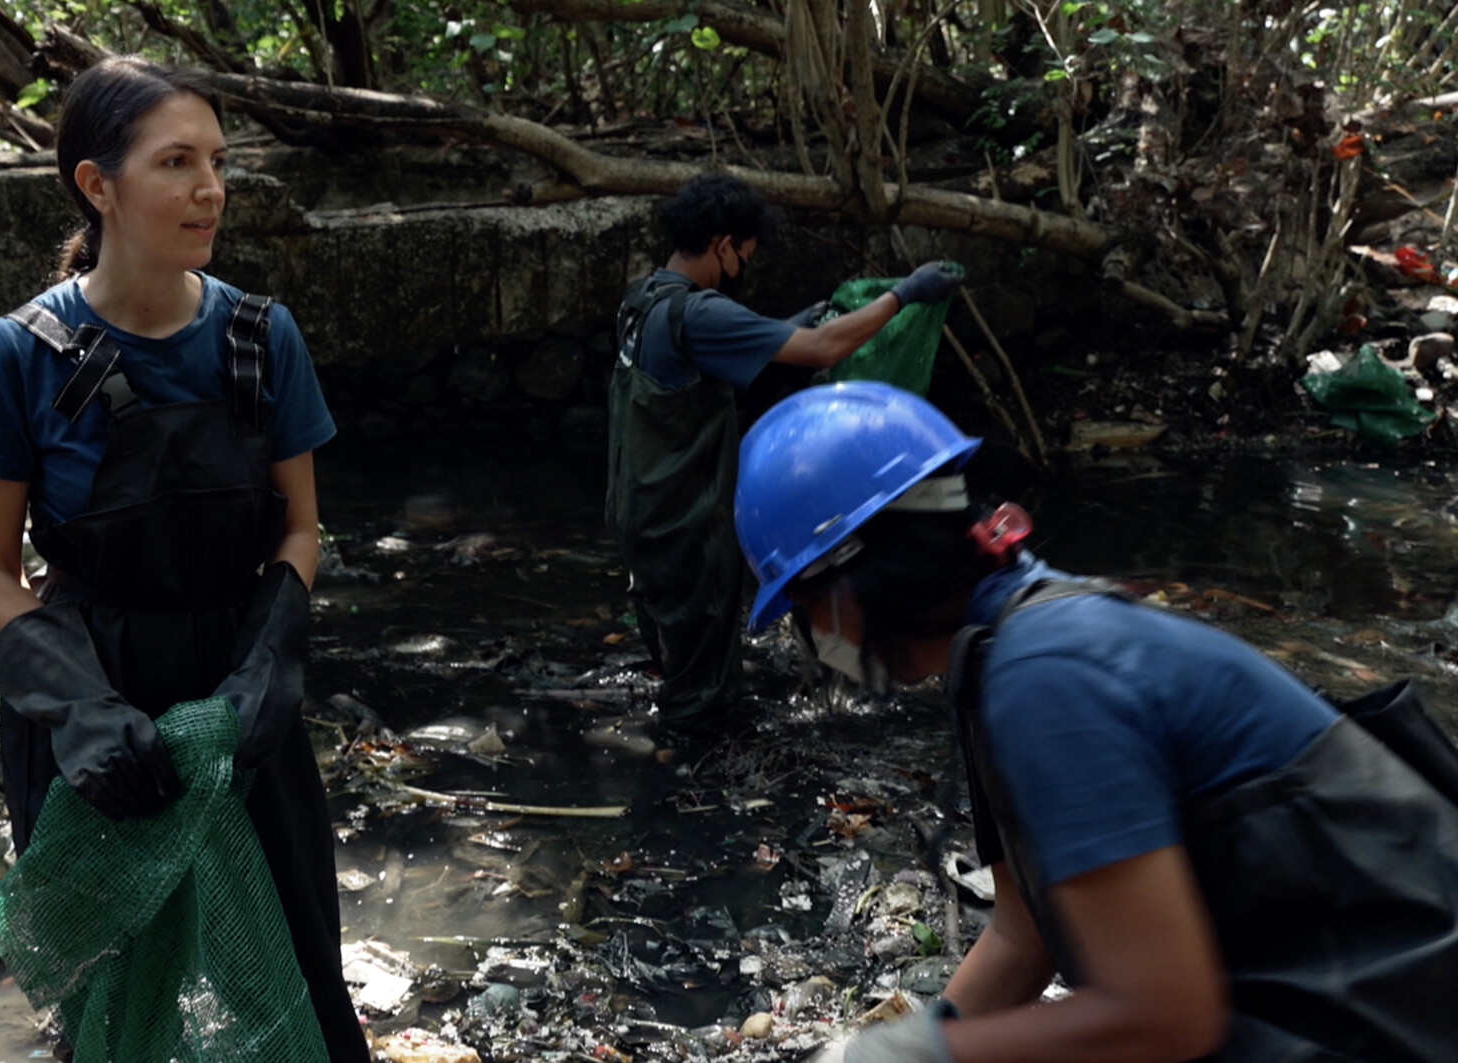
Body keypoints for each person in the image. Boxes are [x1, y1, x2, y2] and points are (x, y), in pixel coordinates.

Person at [731, 381, 1458, 1063]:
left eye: (805, 605)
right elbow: (1023, 935)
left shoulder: (1049, 673)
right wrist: (910, 1037)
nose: (811, 633)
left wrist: (921, 1056)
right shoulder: (997, 655)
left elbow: (1165, 1015)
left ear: (853, 575)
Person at [0, 57, 369, 1062]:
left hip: (240, 702)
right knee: (107, 1003)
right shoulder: (20, 352)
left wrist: (268, 668)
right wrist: (80, 711)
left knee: (300, 976)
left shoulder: (261, 339)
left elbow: (300, 529)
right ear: (98, 185)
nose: (210, 188)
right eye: (177, 162)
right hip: (91, 715)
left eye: (218, 162)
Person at [607, 173, 964, 723]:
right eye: (744, 257)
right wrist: (904, 294)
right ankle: (691, 762)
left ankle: (673, 743)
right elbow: (823, 349)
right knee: (702, 691)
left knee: (677, 653)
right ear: (722, 245)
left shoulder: (644, 299)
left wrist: (779, 332)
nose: (743, 269)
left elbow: (705, 361)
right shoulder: (700, 313)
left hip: (638, 515)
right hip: (685, 528)